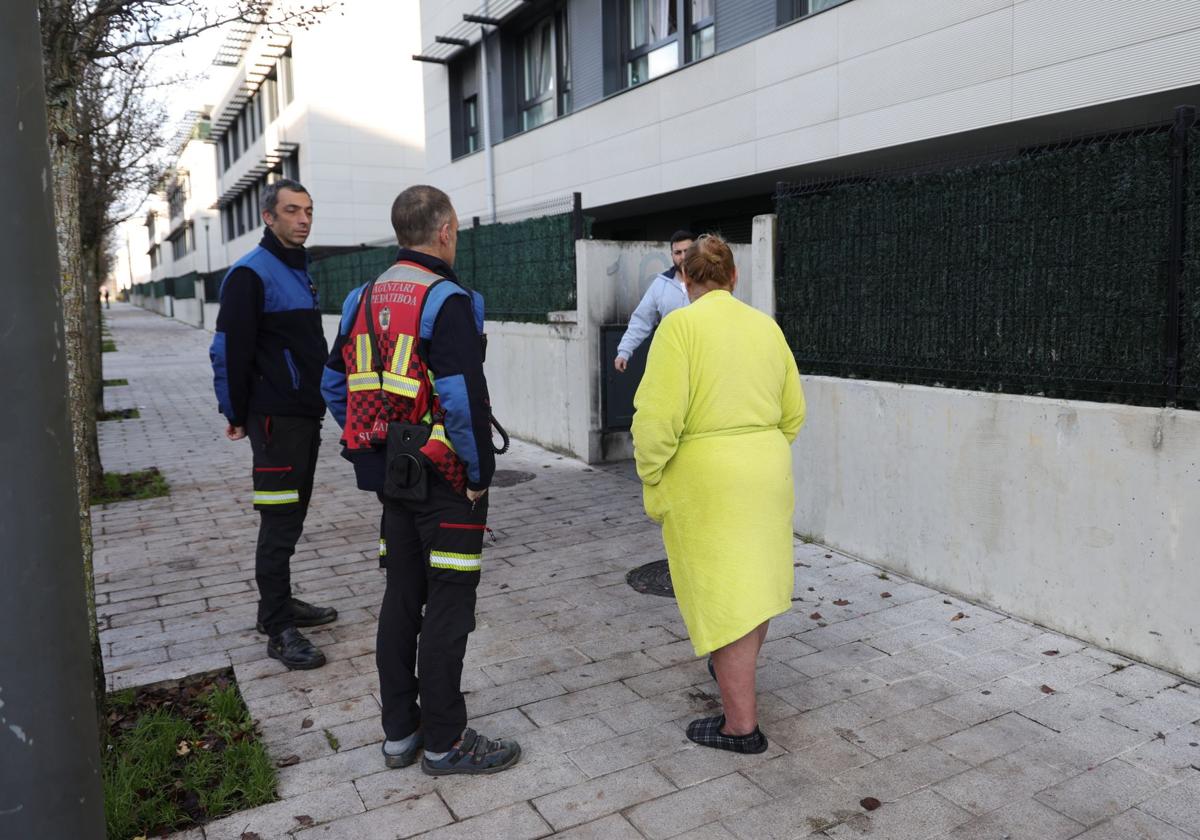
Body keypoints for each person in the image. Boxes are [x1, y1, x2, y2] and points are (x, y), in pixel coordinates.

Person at [321, 185, 520, 776]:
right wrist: (480, 474)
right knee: (450, 608)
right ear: (446, 230)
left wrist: (378, 437)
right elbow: (461, 400)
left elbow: (335, 386)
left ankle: (399, 735)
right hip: (445, 479)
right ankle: (445, 742)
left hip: (392, 481)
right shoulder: (445, 300)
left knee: (402, 601)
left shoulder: (360, 297)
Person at [631, 233, 805, 753]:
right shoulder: (766, 328)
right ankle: (737, 683)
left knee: (725, 599)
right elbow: (793, 411)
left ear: (685, 280)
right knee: (752, 591)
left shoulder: (679, 327)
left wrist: (652, 473)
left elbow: (657, 420)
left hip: (709, 481)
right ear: (734, 278)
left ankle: (740, 727)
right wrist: (758, 449)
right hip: (767, 470)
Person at [209, 178, 337, 671]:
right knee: (280, 521)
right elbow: (228, 350)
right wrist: (235, 412)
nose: (303, 219)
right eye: (291, 211)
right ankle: (279, 629)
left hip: (302, 414)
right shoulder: (250, 274)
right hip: (273, 421)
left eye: (308, 210)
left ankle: (277, 605)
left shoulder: (297, 269)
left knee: (294, 514)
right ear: (269, 217)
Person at [613, 230, 695, 372]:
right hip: (671, 359)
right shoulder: (661, 284)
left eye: (687, 251)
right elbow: (642, 319)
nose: (683, 257)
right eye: (678, 253)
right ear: (672, 255)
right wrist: (624, 351)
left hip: (701, 357)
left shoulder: (708, 282)